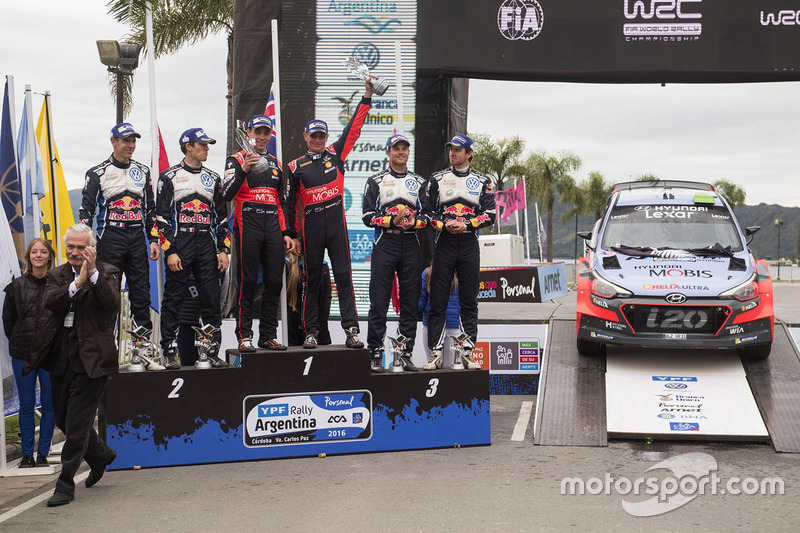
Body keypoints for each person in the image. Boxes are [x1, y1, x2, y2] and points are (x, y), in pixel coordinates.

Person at [29, 224, 120, 507]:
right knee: (62, 419)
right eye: (71, 247)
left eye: (82, 247)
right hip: (61, 355)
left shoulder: (108, 271)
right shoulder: (57, 275)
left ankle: (65, 484)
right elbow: (50, 302)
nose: (76, 253)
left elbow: (111, 303)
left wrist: (91, 276)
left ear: (92, 248)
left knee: (78, 424)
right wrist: (77, 283)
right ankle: (101, 454)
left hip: (93, 357)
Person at [284, 77, 376, 350]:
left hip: (336, 224)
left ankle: (351, 330)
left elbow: (354, 127)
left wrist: (367, 95)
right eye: (313, 135)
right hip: (310, 228)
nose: (318, 139)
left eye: (322, 135)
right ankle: (310, 331)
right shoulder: (294, 166)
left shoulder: (335, 153)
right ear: (305, 137)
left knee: (344, 276)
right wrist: (291, 235)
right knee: (311, 281)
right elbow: (289, 205)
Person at [79, 122, 161, 369]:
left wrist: (154, 239)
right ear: (113, 142)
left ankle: (142, 351)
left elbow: (151, 211)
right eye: (126, 140)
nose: (131, 145)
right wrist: (83, 244)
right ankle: (106, 353)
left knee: (141, 294)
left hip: (137, 239)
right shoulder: (97, 172)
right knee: (108, 296)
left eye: (134, 141)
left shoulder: (143, 171)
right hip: (110, 239)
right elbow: (86, 210)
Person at [156, 128, 230, 368]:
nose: (207, 148)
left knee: (210, 299)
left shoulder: (213, 177)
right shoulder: (169, 176)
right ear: (188, 146)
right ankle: (168, 350)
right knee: (173, 298)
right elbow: (161, 218)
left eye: (208, 145)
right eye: (203, 144)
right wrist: (170, 251)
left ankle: (210, 351)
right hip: (181, 244)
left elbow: (222, 218)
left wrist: (223, 250)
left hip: (207, 246)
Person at [224, 115, 295, 352]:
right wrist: (244, 170)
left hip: (273, 224)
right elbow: (226, 193)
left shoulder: (275, 162)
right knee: (248, 281)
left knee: (275, 280)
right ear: (248, 134)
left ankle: (268, 335)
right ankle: (244, 336)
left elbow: (281, 200)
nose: (262, 137)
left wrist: (285, 232)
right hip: (248, 222)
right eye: (258, 132)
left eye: (266, 133)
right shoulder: (236, 159)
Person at [424, 134, 496, 370]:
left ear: (469, 153)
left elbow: (490, 214)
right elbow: (426, 213)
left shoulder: (483, 180)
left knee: (469, 301)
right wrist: (444, 225)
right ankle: (435, 354)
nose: (452, 154)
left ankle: (467, 353)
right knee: (438, 299)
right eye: (450, 150)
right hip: (444, 241)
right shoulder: (437, 178)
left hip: (468, 243)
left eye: (458, 150)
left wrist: (467, 224)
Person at [361, 134, 428, 372]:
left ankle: (404, 353)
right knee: (378, 301)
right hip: (385, 243)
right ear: (388, 153)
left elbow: (427, 216)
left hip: (410, 244)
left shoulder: (419, 182)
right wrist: (390, 220)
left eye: (404, 148)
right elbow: (367, 216)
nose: (400, 152)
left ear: (408, 152)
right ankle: (375, 353)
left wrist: (413, 223)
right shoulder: (375, 180)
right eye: (396, 149)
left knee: (410, 303)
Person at [3, 238, 56, 468]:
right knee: (26, 404)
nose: (38, 255)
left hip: (49, 354)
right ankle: (26, 455)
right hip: (22, 354)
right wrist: (17, 340)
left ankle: (43, 453)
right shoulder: (16, 287)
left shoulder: (58, 285)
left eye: (43, 251)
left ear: (49, 256)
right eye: (34, 252)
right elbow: (8, 320)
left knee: (48, 403)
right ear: (28, 257)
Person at [286, 247, 332, 347]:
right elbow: (288, 303)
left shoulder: (323, 266)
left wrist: (317, 327)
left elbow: (326, 299)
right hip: (295, 333)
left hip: (319, 332)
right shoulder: (288, 266)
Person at [418, 267, 461, 368]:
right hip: (431, 326)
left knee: (448, 368)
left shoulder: (462, 271)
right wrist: (408, 304)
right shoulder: (428, 272)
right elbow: (421, 299)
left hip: (452, 327)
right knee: (432, 365)